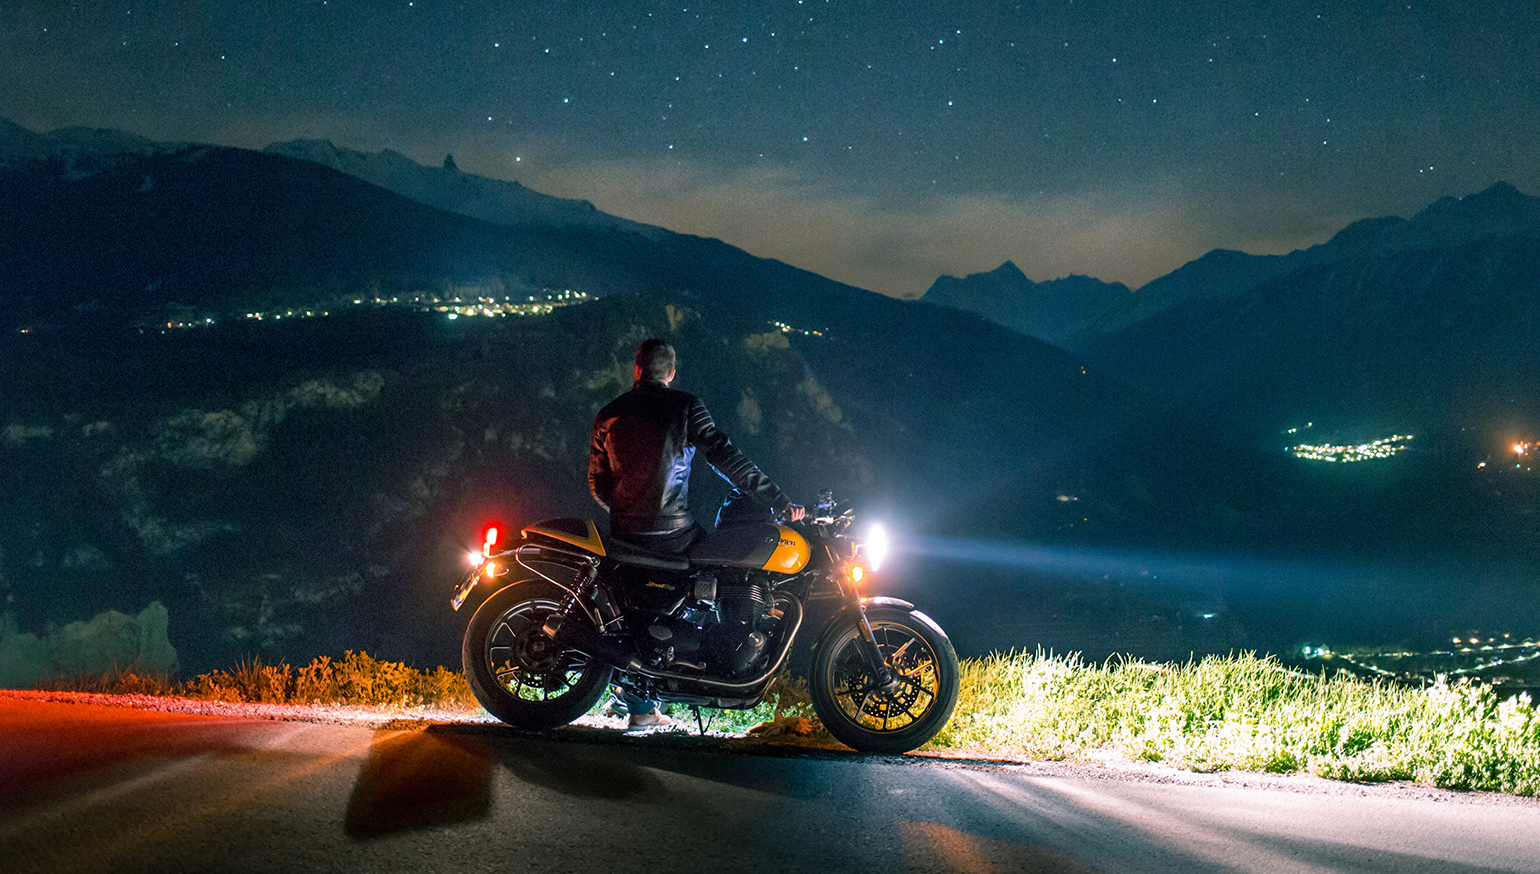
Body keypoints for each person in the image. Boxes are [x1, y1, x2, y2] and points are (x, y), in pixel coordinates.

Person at [589, 338, 805, 727]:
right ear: (670, 373)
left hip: (623, 534)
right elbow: (725, 457)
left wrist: (626, 510)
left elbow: (597, 482)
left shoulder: (609, 413)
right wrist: (778, 499)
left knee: (646, 601)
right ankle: (676, 685)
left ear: (636, 370)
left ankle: (632, 696)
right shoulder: (685, 406)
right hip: (673, 532)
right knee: (722, 573)